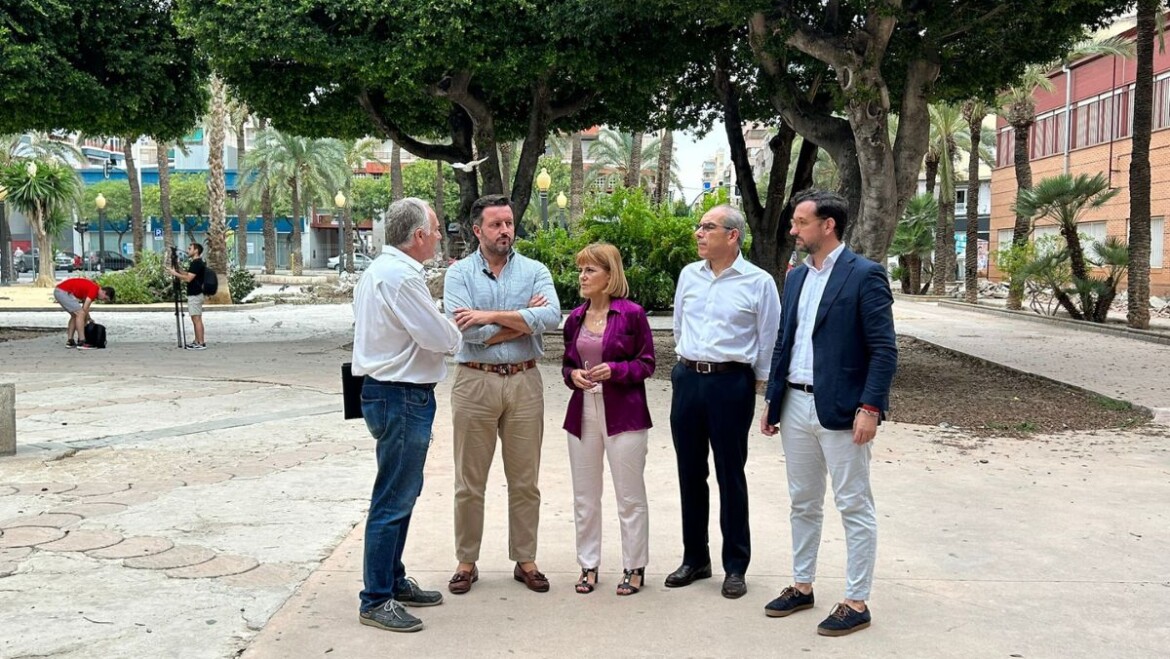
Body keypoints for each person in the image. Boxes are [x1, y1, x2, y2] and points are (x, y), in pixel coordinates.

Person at [760, 189, 897, 637]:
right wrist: (773, 399)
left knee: (853, 503)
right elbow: (786, 341)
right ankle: (802, 586)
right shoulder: (796, 277)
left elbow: (883, 349)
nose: (793, 231)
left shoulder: (865, 275)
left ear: (828, 225)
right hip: (795, 404)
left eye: (800, 223)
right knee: (803, 500)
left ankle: (856, 600)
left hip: (842, 408)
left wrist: (871, 406)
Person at [351, 197, 463, 633]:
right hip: (400, 395)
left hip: (392, 394)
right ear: (418, 236)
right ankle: (376, 597)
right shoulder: (401, 278)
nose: (438, 236)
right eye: (435, 230)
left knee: (402, 493)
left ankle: (391, 580)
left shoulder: (381, 272)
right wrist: (454, 328)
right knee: (393, 498)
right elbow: (440, 338)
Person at [442, 194, 561, 594]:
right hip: (474, 382)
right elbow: (466, 333)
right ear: (478, 230)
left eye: (508, 223)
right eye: (495, 224)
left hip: (525, 381)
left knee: (525, 480)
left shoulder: (535, 270)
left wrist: (490, 315)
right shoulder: (459, 275)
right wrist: (523, 321)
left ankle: (525, 559)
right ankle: (466, 561)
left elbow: (550, 317)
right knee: (468, 480)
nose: (505, 231)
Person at [667, 204, 780, 600]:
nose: (699, 233)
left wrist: (766, 392)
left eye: (708, 227)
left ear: (732, 235)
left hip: (731, 382)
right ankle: (695, 558)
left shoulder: (758, 282)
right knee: (689, 472)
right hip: (687, 379)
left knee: (731, 474)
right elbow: (680, 323)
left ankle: (735, 566)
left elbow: (769, 339)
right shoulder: (689, 276)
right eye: (698, 227)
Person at [560, 243, 655, 596]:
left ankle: (634, 566)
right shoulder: (575, 318)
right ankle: (588, 564)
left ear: (609, 275)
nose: (582, 277)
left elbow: (647, 363)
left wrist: (614, 370)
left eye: (590, 270)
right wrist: (573, 376)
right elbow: (567, 366)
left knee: (629, 495)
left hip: (624, 414)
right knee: (585, 495)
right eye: (580, 270)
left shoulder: (632, 314)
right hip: (582, 411)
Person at [166, 242, 208, 350]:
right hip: (195, 293)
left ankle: (201, 342)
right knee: (195, 318)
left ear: (196, 251)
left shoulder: (196, 263)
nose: (188, 250)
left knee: (196, 318)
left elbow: (188, 278)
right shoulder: (196, 263)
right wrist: (178, 270)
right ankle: (197, 340)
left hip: (195, 293)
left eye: (190, 248)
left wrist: (175, 274)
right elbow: (188, 274)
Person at [53, 277, 115, 349]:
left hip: (61, 291)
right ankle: (82, 342)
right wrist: (85, 321)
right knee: (80, 314)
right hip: (63, 292)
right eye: (105, 298)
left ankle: (70, 341)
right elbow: (84, 309)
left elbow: (84, 307)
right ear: (104, 292)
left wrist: (89, 318)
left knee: (75, 315)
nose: (103, 300)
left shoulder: (94, 289)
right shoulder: (94, 290)